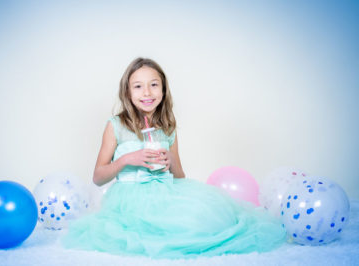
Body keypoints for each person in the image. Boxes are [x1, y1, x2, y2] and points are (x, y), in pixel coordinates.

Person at [62, 57, 286, 259]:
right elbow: (98, 178)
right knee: (147, 234)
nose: (147, 93)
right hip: (130, 201)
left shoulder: (167, 128)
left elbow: (180, 176)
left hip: (166, 195)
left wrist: (169, 160)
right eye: (138, 87)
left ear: (163, 89)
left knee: (201, 222)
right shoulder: (116, 126)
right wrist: (127, 159)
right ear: (128, 92)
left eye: (154, 85)